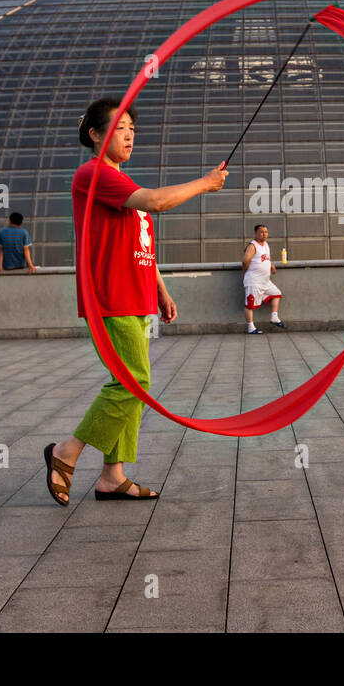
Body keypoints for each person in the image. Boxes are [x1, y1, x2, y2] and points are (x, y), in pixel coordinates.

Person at [44, 96, 227, 506]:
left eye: (131, 128)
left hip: (135, 298)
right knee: (134, 383)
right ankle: (65, 452)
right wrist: (205, 183)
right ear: (95, 135)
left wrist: (160, 291)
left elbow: (141, 244)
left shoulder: (123, 184)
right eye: (118, 128)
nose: (128, 135)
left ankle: (113, 476)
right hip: (110, 298)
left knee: (130, 382)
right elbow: (158, 203)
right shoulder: (93, 174)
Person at [242, 224, 285, 334]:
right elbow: (245, 260)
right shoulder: (252, 245)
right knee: (250, 304)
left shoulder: (266, 244)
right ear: (255, 233)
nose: (264, 234)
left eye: (266, 232)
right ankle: (251, 328)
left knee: (276, 294)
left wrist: (271, 265)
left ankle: (274, 317)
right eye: (261, 232)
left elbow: (265, 258)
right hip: (254, 281)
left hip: (265, 281)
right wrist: (245, 273)